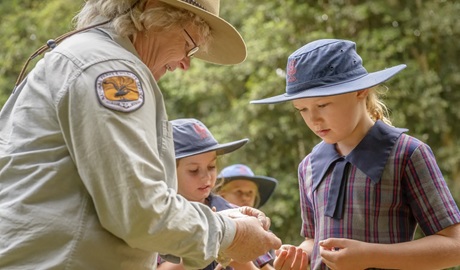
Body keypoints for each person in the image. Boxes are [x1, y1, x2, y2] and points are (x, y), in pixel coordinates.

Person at [0, 0, 281, 269]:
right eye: (189, 45)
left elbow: (109, 207)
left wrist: (218, 221)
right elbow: (138, 211)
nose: (185, 63)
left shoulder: (82, 57)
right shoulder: (110, 69)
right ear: (153, 10)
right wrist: (230, 233)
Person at [250, 39, 460, 269]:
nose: (313, 120)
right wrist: (300, 254)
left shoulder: (406, 153)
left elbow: (454, 246)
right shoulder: (308, 165)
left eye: (323, 105)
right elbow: (314, 239)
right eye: (302, 109)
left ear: (361, 90)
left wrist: (370, 255)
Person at [158, 118, 259, 270]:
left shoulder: (234, 213)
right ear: (168, 171)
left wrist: (239, 257)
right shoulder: (155, 216)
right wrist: (208, 242)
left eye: (211, 166)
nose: (206, 177)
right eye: (193, 170)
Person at [216, 164, 279, 270]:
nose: (245, 197)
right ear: (221, 195)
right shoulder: (211, 228)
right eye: (238, 192)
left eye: (250, 193)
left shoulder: (264, 234)